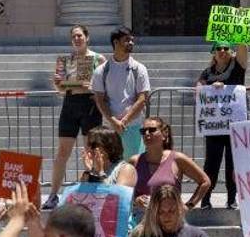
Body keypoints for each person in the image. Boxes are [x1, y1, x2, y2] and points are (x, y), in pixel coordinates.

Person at [43, 24, 108, 210]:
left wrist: (91, 87)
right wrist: (58, 84)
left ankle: (92, 191)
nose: (77, 39)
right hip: (70, 105)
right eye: (74, 37)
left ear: (87, 37)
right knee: (63, 152)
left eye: (80, 36)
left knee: (91, 150)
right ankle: (53, 194)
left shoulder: (98, 59)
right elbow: (61, 88)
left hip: (90, 105)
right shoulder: (64, 60)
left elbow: (103, 86)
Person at [196, 41, 248, 209]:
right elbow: (199, 89)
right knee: (211, 164)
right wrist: (210, 87)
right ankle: (205, 199)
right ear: (214, 52)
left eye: (226, 48)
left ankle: (232, 199)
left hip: (234, 126)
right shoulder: (207, 72)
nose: (223, 51)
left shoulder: (237, 67)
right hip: (215, 126)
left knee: (233, 165)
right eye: (219, 48)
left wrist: (240, 34)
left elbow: (243, 49)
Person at [92, 26, 152, 159]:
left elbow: (142, 98)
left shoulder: (139, 69)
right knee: (112, 168)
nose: (131, 43)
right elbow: (100, 99)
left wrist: (124, 121)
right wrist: (113, 121)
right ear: (116, 43)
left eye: (132, 40)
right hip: (110, 128)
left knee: (133, 166)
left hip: (133, 126)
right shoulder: (101, 71)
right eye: (126, 40)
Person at [131, 116, 210, 211]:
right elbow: (124, 192)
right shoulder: (135, 161)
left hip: (171, 221)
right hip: (142, 220)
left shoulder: (177, 159)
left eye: (152, 130)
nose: (147, 134)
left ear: (164, 134)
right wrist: (136, 200)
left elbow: (205, 182)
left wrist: (188, 206)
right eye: (143, 131)